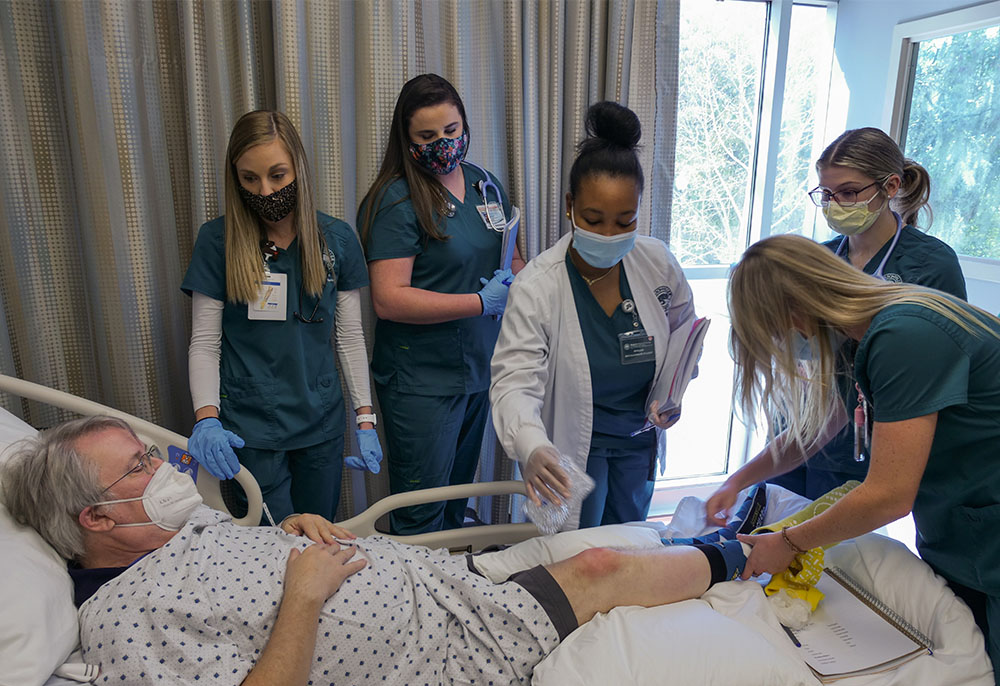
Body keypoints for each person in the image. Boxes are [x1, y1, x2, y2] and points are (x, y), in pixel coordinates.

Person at [1, 416, 749, 686]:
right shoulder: (121, 623)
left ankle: (701, 551)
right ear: (96, 517)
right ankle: (751, 556)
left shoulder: (181, 532)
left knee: (603, 546)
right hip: (436, 665)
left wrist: (288, 534)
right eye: (138, 467)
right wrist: (301, 590)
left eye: (151, 455)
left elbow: (237, 588)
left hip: (443, 585)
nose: (166, 468)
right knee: (597, 571)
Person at [705, 234, 1000, 686]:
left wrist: (788, 541)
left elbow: (889, 495)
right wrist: (739, 480)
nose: (783, 347)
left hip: (989, 527)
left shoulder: (903, 335)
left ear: (795, 311)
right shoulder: (860, 332)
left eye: (774, 333)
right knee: (976, 685)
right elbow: (826, 427)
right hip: (968, 523)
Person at [490, 102, 697, 530]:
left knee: (630, 549)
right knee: (569, 564)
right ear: (570, 206)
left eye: (625, 221)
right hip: (566, 450)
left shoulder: (656, 262)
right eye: (593, 219)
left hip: (637, 444)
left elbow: (684, 333)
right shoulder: (538, 286)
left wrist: (672, 395)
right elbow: (513, 381)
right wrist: (531, 446)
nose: (609, 235)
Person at [182, 110, 381, 525]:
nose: (266, 190)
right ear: (235, 179)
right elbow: (204, 343)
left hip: (320, 422)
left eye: (277, 175)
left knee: (318, 539)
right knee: (268, 548)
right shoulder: (218, 242)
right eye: (250, 179)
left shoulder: (337, 240)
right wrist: (207, 420)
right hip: (250, 428)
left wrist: (365, 418)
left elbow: (349, 337)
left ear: (299, 170)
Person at [357, 74, 525, 535]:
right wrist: (478, 302)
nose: (443, 144)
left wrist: (524, 282)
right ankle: (411, 601)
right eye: (427, 136)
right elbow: (389, 299)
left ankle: (450, 595)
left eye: (451, 131)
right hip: (421, 381)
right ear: (407, 140)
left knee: (455, 501)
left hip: (478, 368)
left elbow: (510, 256)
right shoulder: (396, 200)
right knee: (421, 510)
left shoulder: (484, 186)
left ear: (465, 126)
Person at [772, 126, 966, 499]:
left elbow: (943, 365)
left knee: (839, 553)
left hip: (873, 438)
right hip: (801, 429)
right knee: (770, 531)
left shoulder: (931, 264)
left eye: (848, 192)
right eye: (826, 194)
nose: (834, 203)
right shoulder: (820, 260)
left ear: (890, 187)